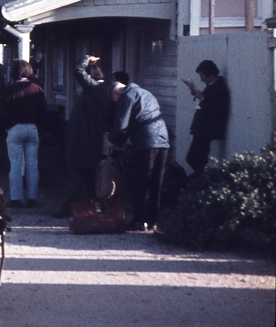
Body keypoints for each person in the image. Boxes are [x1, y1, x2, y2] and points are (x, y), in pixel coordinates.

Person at [108, 75, 169, 232]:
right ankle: (153, 221)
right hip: (163, 140)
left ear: (116, 93)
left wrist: (112, 140)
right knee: (155, 182)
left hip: (146, 142)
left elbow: (121, 124)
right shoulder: (145, 93)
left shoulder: (126, 96)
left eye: (113, 100)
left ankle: (139, 221)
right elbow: (142, 117)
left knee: (141, 182)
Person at [54, 55, 110, 218]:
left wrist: (86, 58)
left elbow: (78, 70)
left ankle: (68, 208)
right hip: (93, 137)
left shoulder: (94, 89)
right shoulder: (103, 92)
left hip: (82, 138)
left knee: (77, 173)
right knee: (89, 175)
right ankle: (87, 206)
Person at [0, 60, 47, 208]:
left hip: (15, 128)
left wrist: (6, 127)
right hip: (32, 128)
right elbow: (43, 112)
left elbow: (3, 113)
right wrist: (40, 129)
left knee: (16, 164)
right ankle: (32, 198)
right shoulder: (37, 89)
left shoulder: (9, 90)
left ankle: (16, 198)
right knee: (32, 164)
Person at [184, 59, 230, 176]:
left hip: (207, 130)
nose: (201, 79)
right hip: (201, 128)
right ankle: (202, 180)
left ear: (210, 74)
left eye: (202, 75)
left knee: (194, 158)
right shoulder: (211, 86)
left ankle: (205, 179)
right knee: (197, 159)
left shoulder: (219, 88)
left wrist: (202, 97)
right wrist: (197, 95)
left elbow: (216, 108)